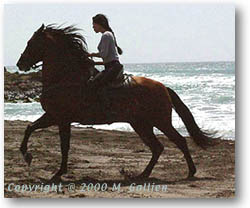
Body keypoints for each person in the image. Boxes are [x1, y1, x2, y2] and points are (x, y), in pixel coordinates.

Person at [87, 14, 124, 121]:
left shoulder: (106, 35)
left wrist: (92, 56)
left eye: (94, 24)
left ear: (99, 24)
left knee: (96, 84)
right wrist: (91, 57)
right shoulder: (107, 34)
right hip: (111, 66)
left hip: (113, 67)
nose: (93, 27)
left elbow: (104, 55)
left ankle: (107, 110)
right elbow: (105, 57)